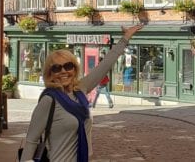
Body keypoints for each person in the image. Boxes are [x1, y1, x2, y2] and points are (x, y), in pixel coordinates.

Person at [20, 24, 143, 162]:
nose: (63, 71)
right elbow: (31, 140)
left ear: (75, 68)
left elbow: (105, 64)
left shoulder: (80, 89)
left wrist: (125, 38)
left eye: (68, 66)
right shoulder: (49, 100)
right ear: (50, 74)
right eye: (56, 68)